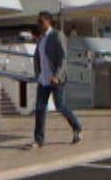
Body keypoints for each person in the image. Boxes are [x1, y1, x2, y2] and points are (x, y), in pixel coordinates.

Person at [27, 11, 82, 149]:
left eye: (41, 21)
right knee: (40, 108)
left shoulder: (57, 35)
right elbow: (38, 59)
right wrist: (38, 75)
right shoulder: (40, 38)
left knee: (60, 106)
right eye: (38, 21)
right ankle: (39, 140)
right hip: (43, 80)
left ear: (48, 21)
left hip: (55, 79)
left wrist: (57, 76)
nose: (38, 23)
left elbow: (63, 59)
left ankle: (77, 127)